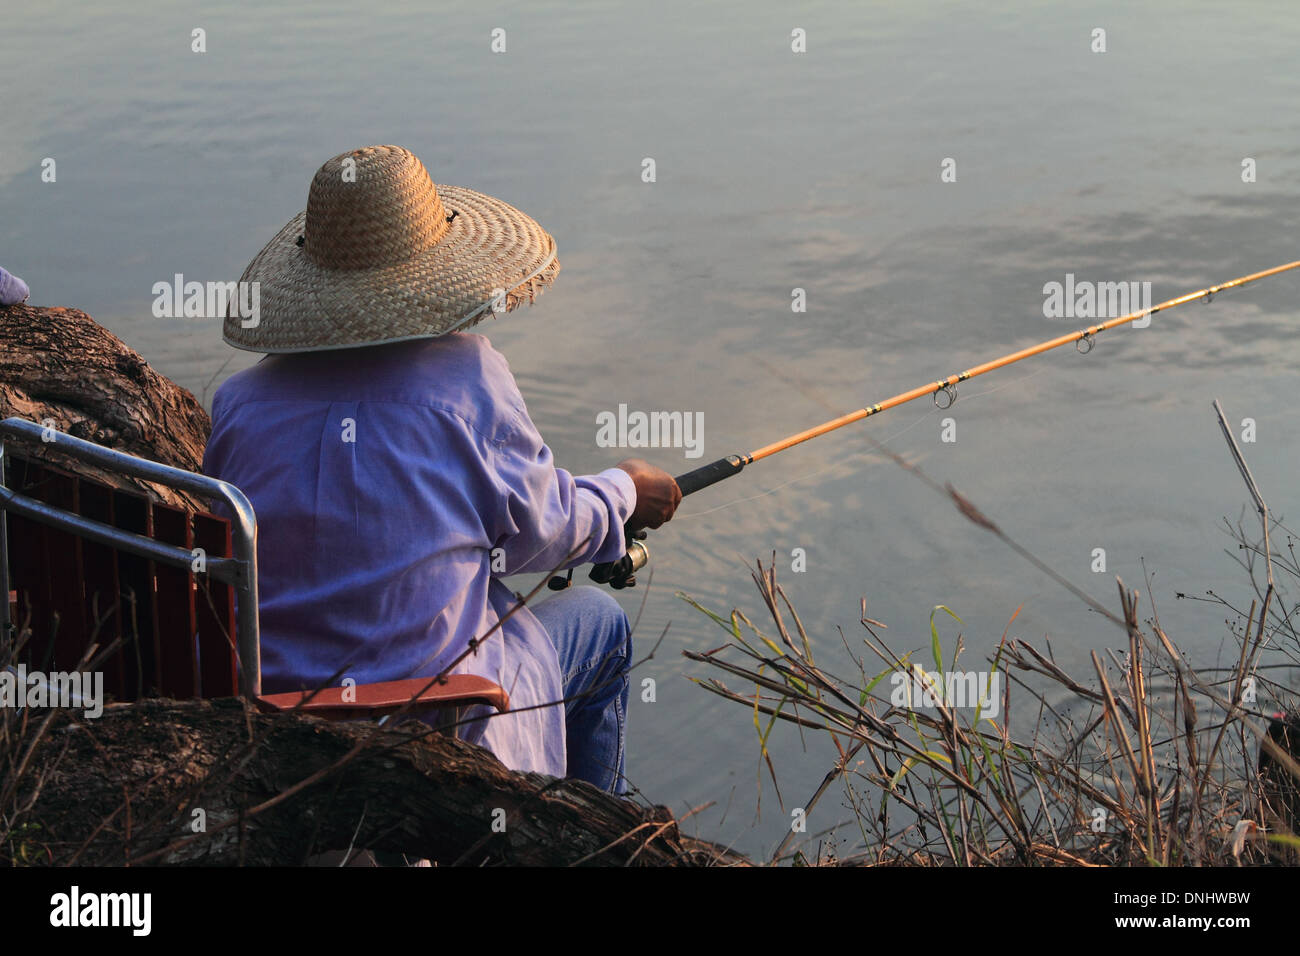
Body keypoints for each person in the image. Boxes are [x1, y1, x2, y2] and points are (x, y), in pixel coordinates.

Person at [202, 145, 680, 795]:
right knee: (600, 622)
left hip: (278, 719)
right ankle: (590, 842)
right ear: (431, 268)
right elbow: (544, 532)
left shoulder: (240, 403)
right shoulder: (466, 377)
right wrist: (623, 491)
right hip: (438, 719)